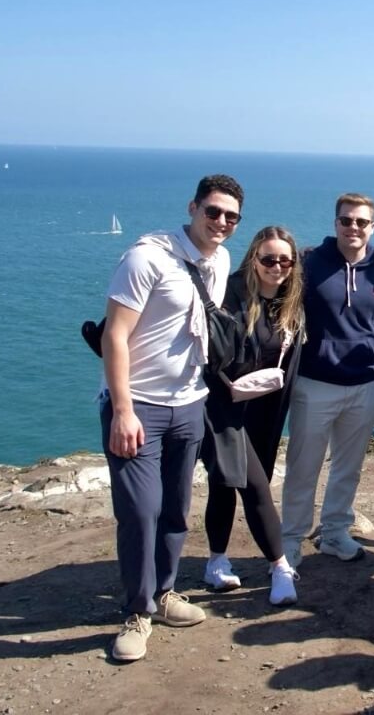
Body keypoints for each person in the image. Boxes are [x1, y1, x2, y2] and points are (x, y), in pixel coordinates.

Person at [99, 174, 242, 662]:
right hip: (138, 403)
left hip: (189, 402)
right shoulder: (146, 258)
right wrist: (122, 410)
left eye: (231, 216)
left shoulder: (218, 261)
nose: (221, 222)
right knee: (141, 511)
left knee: (176, 509)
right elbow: (114, 336)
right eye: (213, 211)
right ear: (193, 208)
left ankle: (164, 593)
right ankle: (136, 613)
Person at [281, 193, 374, 571]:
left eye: (361, 222)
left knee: (348, 466)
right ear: (336, 224)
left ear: (372, 227)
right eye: (346, 220)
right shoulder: (309, 263)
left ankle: (334, 532)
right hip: (313, 383)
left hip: (365, 383)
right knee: (304, 466)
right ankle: (290, 540)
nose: (353, 228)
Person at [199, 226, 304, 606]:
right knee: (255, 488)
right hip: (223, 409)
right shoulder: (228, 293)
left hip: (264, 410)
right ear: (253, 259)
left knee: (224, 485)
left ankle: (215, 561)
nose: (276, 267)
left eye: (284, 260)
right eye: (268, 259)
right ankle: (280, 568)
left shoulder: (291, 303)